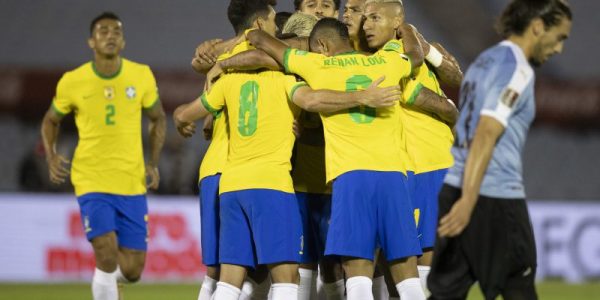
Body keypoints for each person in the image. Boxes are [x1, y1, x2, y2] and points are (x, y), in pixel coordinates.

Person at [174, 2, 401, 300]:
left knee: (227, 277)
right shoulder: (288, 80)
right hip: (276, 184)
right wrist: (363, 96)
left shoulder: (228, 79)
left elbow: (185, 110)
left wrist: (195, 115)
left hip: (231, 183)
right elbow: (314, 100)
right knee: (288, 276)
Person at [245, 18, 430, 300]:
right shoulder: (387, 61)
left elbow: (260, 41)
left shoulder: (316, 64)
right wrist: (406, 28)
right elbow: (416, 55)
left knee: (356, 271)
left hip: (352, 178)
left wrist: (237, 46)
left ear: (322, 45)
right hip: (395, 177)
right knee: (406, 270)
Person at [429, 1, 572, 299]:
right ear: (537, 28)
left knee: (446, 292)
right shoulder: (515, 69)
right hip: (491, 198)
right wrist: (469, 202)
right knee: (518, 288)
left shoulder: (484, 62)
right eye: (559, 37)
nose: (559, 49)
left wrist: (461, 198)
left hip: (453, 188)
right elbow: (486, 133)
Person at [40, 12, 166, 300]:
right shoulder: (73, 81)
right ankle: (106, 283)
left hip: (131, 181)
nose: (110, 35)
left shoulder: (141, 75)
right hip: (91, 179)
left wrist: (153, 163)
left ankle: (107, 283)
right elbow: (50, 120)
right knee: (106, 253)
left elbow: (158, 119)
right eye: (103, 31)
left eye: (116, 31)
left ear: (123, 41)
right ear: (91, 41)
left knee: (132, 270)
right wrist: (51, 155)